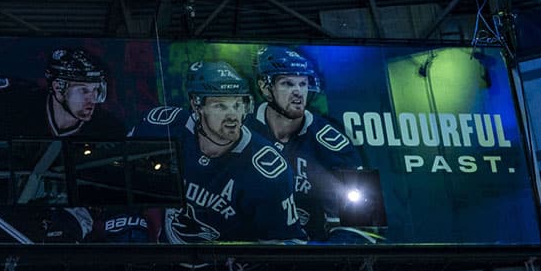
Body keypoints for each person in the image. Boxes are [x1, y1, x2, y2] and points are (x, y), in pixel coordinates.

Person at [130, 61, 305, 244]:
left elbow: (287, 244)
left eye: (237, 105)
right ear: (197, 106)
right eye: (220, 106)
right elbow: (121, 176)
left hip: (227, 268)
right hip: (161, 258)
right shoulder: (163, 128)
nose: (232, 115)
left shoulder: (269, 173)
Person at [245, 46, 365, 240]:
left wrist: (325, 257)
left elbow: (362, 221)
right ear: (265, 88)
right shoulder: (242, 130)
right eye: (287, 84)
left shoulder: (335, 143)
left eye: (302, 84)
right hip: (249, 255)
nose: (298, 92)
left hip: (309, 256)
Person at [0, 47, 126, 139]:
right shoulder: (16, 106)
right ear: (58, 88)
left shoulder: (108, 127)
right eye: (84, 90)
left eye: (96, 90)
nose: (92, 99)